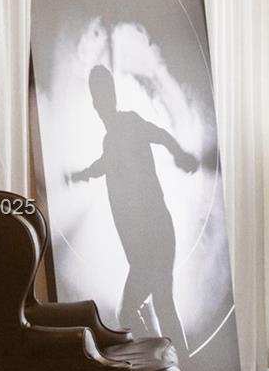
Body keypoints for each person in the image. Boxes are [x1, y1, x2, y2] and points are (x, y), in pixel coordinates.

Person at [67, 64, 198, 347]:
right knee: (157, 305)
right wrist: (81, 174)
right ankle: (165, 360)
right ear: (95, 103)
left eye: (104, 94)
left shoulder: (128, 124)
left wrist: (179, 154)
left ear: (110, 96)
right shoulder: (114, 137)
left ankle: (161, 361)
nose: (102, 103)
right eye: (98, 96)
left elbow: (159, 135)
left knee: (141, 309)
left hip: (153, 239)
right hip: (148, 243)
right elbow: (105, 163)